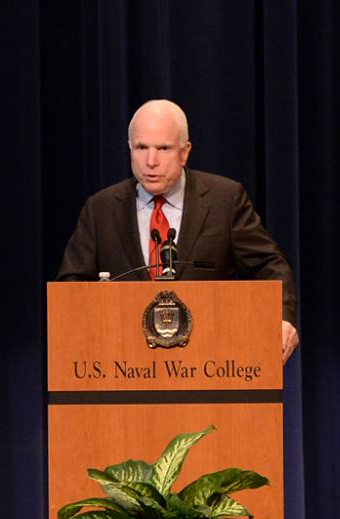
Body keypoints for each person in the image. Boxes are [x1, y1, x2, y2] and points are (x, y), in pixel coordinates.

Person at [56, 99, 300, 363]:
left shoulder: (224, 201)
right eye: (141, 148)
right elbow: (71, 286)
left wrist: (282, 317)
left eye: (163, 148)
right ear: (129, 149)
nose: (151, 161)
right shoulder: (101, 209)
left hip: (209, 363)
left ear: (185, 152)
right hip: (124, 366)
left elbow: (271, 266)